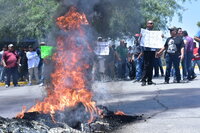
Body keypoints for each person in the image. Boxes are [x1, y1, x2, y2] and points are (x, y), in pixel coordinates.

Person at [140, 20, 157, 86]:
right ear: (147, 24)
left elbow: (156, 42)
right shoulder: (144, 32)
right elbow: (140, 41)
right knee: (146, 65)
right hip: (146, 50)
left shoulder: (154, 33)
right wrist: (142, 51)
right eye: (150, 23)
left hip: (152, 50)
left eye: (152, 24)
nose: (151, 25)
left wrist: (160, 37)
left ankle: (149, 80)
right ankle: (143, 80)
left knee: (151, 66)